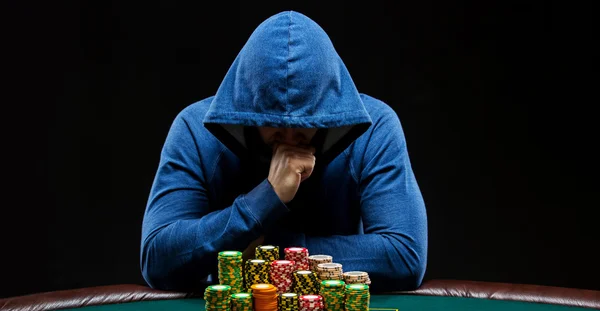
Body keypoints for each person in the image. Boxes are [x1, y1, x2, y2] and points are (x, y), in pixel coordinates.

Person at [140, 10, 427, 293]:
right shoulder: (194, 128)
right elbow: (157, 260)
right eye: (272, 123)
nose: (289, 137)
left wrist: (270, 252)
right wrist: (263, 200)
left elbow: (404, 255)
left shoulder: (374, 127)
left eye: (307, 123)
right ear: (248, 109)